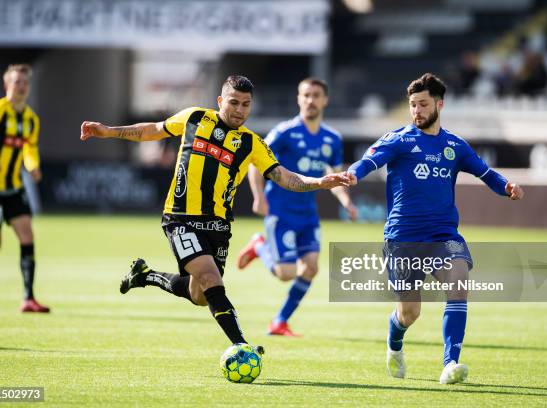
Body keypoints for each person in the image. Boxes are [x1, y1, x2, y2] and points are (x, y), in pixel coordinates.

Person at [79, 75, 350, 352]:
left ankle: (145, 275)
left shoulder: (251, 143)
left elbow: (283, 176)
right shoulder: (195, 118)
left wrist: (319, 182)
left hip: (218, 226)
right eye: (234, 102)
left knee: (200, 295)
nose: (239, 110)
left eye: (246, 105)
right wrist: (109, 131)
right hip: (180, 218)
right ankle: (241, 345)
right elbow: (153, 130)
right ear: (220, 101)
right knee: (211, 278)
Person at [344, 73, 524, 384]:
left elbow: (486, 173)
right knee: (409, 313)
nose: (416, 111)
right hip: (403, 238)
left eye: (423, 104)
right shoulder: (399, 139)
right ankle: (395, 344)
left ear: (439, 104)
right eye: (412, 105)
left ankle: (450, 363)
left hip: (444, 235)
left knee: (458, 282)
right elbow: (369, 160)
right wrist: (353, 174)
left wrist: (506, 186)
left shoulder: (455, 145)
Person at [236, 77, 357, 337]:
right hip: (280, 210)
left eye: (315, 95)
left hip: (307, 214)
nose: (310, 100)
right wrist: (259, 197)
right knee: (286, 273)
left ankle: (279, 322)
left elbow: (333, 177)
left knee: (311, 268)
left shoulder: (332, 138)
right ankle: (259, 245)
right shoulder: (285, 132)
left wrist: (346, 202)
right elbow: (257, 162)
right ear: (298, 99)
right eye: (305, 95)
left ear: (325, 100)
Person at [0, 64, 50, 313]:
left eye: (25, 82)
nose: (22, 87)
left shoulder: (31, 120)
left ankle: (28, 298)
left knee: (27, 236)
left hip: (13, 187)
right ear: (7, 86)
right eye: (17, 82)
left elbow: (29, 149)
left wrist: (33, 166)